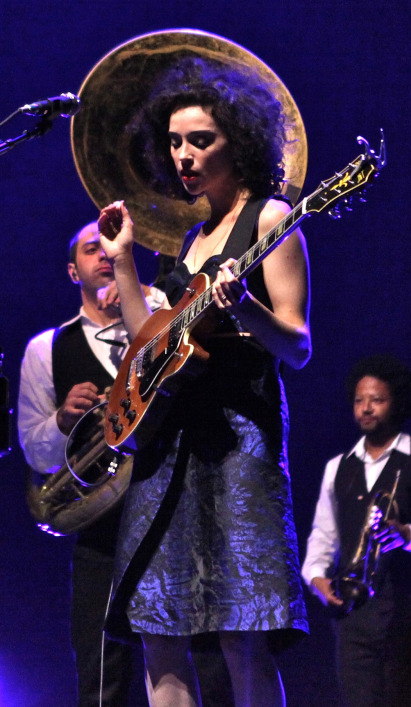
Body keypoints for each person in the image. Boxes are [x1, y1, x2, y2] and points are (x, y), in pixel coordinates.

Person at [97, 56, 311, 707]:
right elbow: (149, 343)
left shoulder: (270, 219)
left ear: (236, 140)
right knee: (160, 628)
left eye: (200, 140)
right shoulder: (190, 239)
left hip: (238, 443)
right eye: (174, 142)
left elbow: (298, 345)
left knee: (238, 631)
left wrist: (243, 303)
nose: (184, 155)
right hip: (172, 449)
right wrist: (123, 257)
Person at [18, 221, 164, 706]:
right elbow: (34, 452)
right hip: (101, 530)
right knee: (103, 671)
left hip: (170, 511)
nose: (103, 255)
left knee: (183, 658)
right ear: (71, 270)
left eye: (110, 247)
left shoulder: (160, 313)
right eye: (89, 250)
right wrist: (62, 420)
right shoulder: (45, 349)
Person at [301, 354, 411, 707]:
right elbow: (323, 535)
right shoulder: (338, 468)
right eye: (359, 400)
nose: (365, 408)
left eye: (376, 400)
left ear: (397, 403)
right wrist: (317, 579)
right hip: (354, 619)